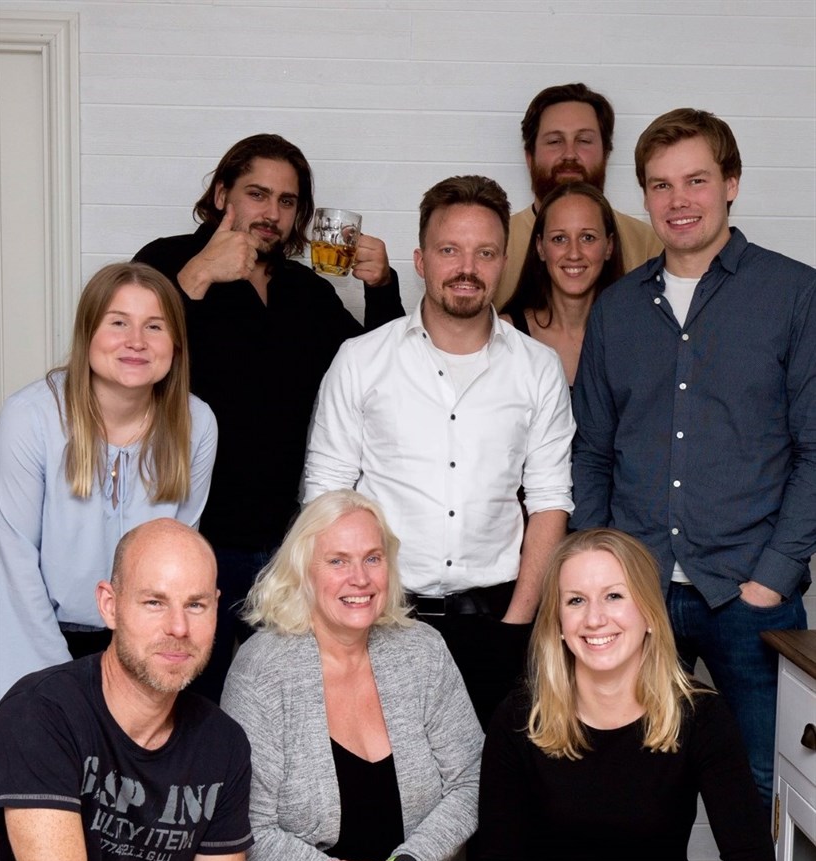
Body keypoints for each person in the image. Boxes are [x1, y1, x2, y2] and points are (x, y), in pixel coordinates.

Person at [571, 107, 816, 809]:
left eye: (696, 181)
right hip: (636, 594)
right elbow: (591, 452)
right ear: (645, 196)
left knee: (762, 782)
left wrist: (771, 578)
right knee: (635, 786)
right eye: (660, 185)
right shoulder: (616, 309)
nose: (678, 201)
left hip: (749, 596)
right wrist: (601, 571)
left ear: (731, 184)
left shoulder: (794, 295)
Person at [134, 133, 404, 702]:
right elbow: (132, 357)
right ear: (221, 194)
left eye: (287, 201)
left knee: (288, 700)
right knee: (185, 700)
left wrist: (382, 288)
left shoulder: (306, 291)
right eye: (257, 194)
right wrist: (198, 275)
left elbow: (376, 374)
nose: (272, 213)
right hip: (195, 533)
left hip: (287, 541)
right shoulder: (165, 260)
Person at [304, 175, 575, 727]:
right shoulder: (361, 360)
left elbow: (550, 501)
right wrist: (346, 616)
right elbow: (325, 497)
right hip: (381, 619)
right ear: (421, 260)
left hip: (497, 621)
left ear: (504, 262)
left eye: (485, 252)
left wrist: (518, 626)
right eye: (449, 250)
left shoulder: (538, 368)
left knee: (493, 776)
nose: (466, 267)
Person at [0, 518, 298, 861]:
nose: (178, 628)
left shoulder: (222, 743)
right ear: (109, 605)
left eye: (195, 605)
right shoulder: (41, 712)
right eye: (154, 602)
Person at [478, 528, 778, 861]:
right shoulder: (518, 717)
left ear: (650, 614)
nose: (595, 618)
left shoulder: (702, 716)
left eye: (614, 596)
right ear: (557, 623)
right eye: (576, 600)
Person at [220, 490, 482, 861]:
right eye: (337, 561)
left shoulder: (423, 654)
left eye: (372, 558)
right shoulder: (262, 669)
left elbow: (472, 779)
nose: (359, 578)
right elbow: (249, 830)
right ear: (304, 572)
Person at [0, 262, 217, 700]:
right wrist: (58, 687)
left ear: (175, 343)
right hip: (40, 637)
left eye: (154, 326)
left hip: (142, 642)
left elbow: (178, 554)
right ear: (88, 333)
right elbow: (13, 566)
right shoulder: (30, 418)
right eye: (118, 322)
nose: (136, 341)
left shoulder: (196, 423)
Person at [496, 82, 662, 309]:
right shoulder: (496, 241)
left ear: (606, 154)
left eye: (584, 140)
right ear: (530, 157)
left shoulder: (649, 244)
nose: (570, 154)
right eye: (555, 141)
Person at [500, 181, 623, 386]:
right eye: (559, 239)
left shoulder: (635, 336)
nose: (574, 253)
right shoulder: (506, 334)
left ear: (609, 246)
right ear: (540, 247)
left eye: (587, 237)